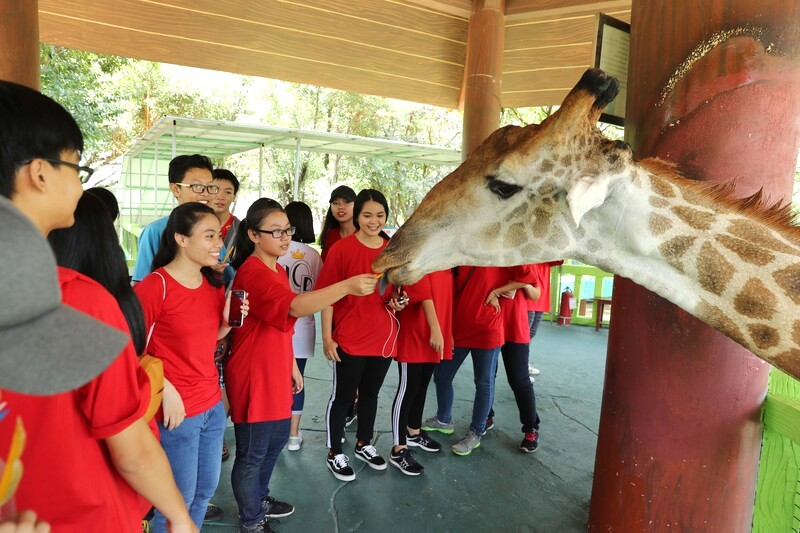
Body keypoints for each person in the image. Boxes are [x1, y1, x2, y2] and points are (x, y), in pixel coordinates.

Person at [0, 80, 196, 532]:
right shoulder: (72, 301)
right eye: (76, 167)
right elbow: (131, 451)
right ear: (39, 173)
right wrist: (180, 516)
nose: (79, 183)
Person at [227, 198, 375, 532]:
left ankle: (259, 499)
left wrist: (292, 365)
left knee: (275, 443)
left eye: (287, 230)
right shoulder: (253, 273)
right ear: (252, 234)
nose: (284, 237)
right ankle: (251, 519)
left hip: (277, 368)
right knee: (252, 454)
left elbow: (278, 323)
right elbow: (293, 308)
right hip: (255, 374)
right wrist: (346, 287)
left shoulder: (277, 269)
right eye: (275, 231)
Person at [134, 202, 248, 533]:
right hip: (177, 414)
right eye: (209, 235)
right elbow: (127, 348)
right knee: (176, 503)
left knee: (203, 494)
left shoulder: (212, 284)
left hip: (212, 405)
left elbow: (206, 341)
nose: (219, 244)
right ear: (181, 239)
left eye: (221, 236)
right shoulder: (156, 286)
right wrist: (166, 389)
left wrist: (228, 323)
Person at [317, 189, 407, 482]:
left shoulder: (392, 249)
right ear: (357, 217)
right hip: (349, 337)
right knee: (342, 398)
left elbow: (396, 292)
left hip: (382, 339)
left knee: (370, 395)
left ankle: (363, 443)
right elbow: (327, 296)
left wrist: (398, 302)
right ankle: (334, 451)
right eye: (367, 215)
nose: (374, 221)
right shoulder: (341, 249)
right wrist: (327, 337)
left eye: (380, 215)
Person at [421, 265, 537, 456]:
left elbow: (529, 278)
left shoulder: (499, 253)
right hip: (459, 327)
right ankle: (443, 419)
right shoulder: (461, 255)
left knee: (484, 382)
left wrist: (498, 291)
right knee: (442, 375)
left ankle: (476, 432)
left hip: (488, 328)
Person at [388, 270, 453, 476]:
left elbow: (445, 297)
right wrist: (436, 329)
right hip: (415, 332)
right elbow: (423, 293)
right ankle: (399, 449)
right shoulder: (421, 256)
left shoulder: (446, 260)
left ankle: (413, 431)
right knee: (408, 388)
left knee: (422, 385)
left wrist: (445, 330)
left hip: (435, 333)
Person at [131, 154, 229, 284]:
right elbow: (140, 283)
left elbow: (227, 273)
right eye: (197, 186)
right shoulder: (155, 231)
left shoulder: (215, 228)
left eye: (210, 187)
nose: (206, 193)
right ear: (176, 189)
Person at [276, 201, 323, 452]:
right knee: (298, 380)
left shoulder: (276, 250)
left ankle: (277, 428)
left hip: (278, 325)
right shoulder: (314, 255)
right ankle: (293, 435)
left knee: (276, 378)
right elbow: (318, 292)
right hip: (304, 325)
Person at [492, 276, 543, 453]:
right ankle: (485, 417)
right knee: (486, 377)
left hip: (515, 326)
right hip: (489, 323)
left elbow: (536, 294)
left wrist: (523, 284)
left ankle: (531, 427)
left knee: (519, 380)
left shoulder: (524, 263)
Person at [526, 261, 563, 376]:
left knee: (531, 333)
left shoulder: (547, 254)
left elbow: (559, 259)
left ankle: (523, 364)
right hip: (528, 294)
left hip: (541, 295)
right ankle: (521, 367)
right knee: (524, 335)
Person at [318, 185, 356, 262]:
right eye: (335, 203)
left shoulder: (364, 234)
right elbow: (324, 267)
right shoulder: (330, 235)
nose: (341, 207)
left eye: (346, 202)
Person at [211, 168, 240, 249]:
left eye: (228, 192)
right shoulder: (196, 225)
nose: (220, 197)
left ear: (234, 197)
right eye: (215, 190)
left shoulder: (241, 229)